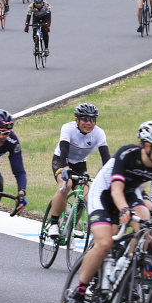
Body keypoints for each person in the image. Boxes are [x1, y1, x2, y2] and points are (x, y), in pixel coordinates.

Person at [66, 120, 152, 303]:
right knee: (104, 243)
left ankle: (129, 268)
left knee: (146, 220)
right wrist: (123, 209)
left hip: (129, 193)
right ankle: (79, 294)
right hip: (104, 193)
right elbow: (116, 189)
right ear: (146, 146)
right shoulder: (128, 154)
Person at [45, 102, 110, 238]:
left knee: (84, 195)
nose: (89, 123)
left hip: (80, 165)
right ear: (77, 120)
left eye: (92, 120)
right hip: (61, 160)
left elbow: (106, 157)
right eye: (85, 119)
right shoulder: (68, 128)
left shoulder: (99, 133)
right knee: (66, 185)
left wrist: (109, 176)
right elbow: (64, 150)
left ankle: (70, 227)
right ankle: (54, 223)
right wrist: (66, 168)